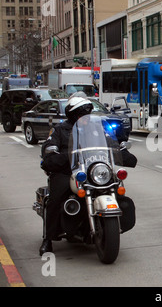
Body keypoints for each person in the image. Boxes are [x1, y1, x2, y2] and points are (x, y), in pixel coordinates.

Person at [39, 97, 137, 255]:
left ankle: (109, 223)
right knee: (56, 198)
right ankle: (48, 238)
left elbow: (111, 143)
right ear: (73, 115)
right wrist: (53, 153)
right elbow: (49, 147)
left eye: (87, 114)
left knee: (116, 187)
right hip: (68, 171)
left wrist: (122, 151)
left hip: (95, 170)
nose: (84, 118)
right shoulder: (60, 130)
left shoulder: (96, 129)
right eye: (81, 115)